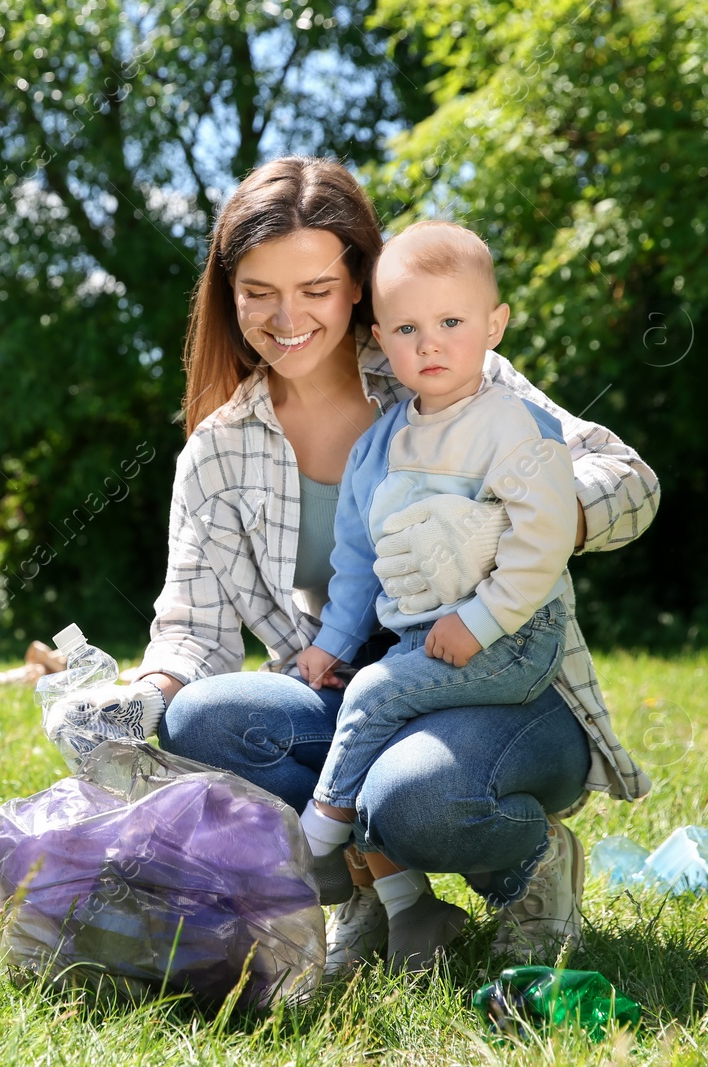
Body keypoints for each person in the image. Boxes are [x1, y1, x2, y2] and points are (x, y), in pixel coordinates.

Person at [40, 157, 656, 974]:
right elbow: (191, 634)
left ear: (359, 284)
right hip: (349, 696)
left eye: (315, 290)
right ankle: (381, 892)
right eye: (257, 290)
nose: (285, 316)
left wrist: (516, 522)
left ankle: (533, 865)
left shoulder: (438, 366)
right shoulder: (219, 452)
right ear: (228, 294)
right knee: (201, 721)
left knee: (413, 794)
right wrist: (133, 703)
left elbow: (630, 483)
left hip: (499, 686)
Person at [291, 220, 579, 970]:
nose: (432, 344)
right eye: (409, 328)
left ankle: (314, 843)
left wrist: (481, 618)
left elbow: (541, 541)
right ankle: (402, 908)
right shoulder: (380, 445)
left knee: (374, 696)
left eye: (453, 322)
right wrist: (332, 640)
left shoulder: (512, 426)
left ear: (495, 325)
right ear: (381, 337)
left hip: (512, 639)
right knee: (374, 710)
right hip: (425, 639)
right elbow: (360, 562)